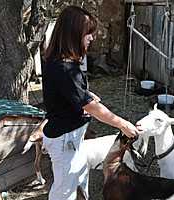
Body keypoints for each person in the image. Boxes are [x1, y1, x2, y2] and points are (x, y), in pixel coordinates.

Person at [42, 5, 139, 200]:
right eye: (88, 34)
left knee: (77, 181)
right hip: (64, 140)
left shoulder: (58, 61)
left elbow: (66, 92)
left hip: (71, 138)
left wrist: (85, 93)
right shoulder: (64, 67)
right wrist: (123, 124)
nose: (91, 38)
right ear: (73, 34)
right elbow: (92, 108)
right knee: (64, 192)